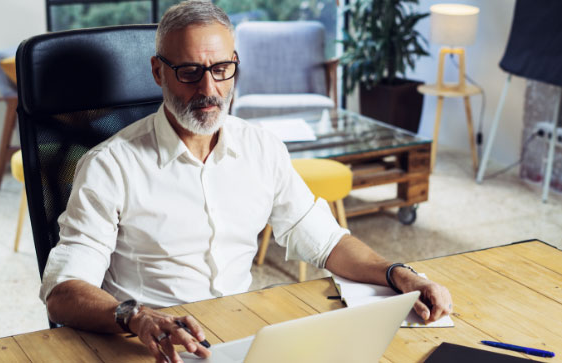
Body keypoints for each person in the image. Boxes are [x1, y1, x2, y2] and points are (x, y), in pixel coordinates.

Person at [40, 1, 453, 362]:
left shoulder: (263, 148)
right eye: (189, 72)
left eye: (222, 69)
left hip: (239, 335)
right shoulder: (109, 165)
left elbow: (326, 242)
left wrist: (400, 273)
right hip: (148, 343)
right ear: (157, 72)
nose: (210, 89)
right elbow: (62, 291)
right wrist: (136, 316)